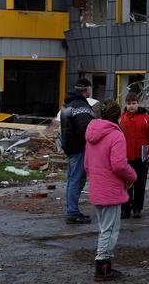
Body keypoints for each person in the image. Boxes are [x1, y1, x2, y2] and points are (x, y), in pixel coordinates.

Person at [84, 100, 137, 281]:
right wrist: (132, 177)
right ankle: (103, 267)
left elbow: (87, 165)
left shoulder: (91, 134)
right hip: (112, 189)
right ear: (118, 116)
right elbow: (119, 165)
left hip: (97, 187)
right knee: (110, 230)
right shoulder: (116, 135)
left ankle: (104, 265)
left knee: (103, 228)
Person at [60, 78, 97, 224]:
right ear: (86, 89)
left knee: (72, 179)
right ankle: (73, 212)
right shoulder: (81, 106)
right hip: (79, 148)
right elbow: (86, 129)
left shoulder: (68, 104)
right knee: (77, 179)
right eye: (90, 88)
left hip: (70, 147)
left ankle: (72, 209)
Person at [119, 93, 149, 219]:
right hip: (126, 157)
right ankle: (125, 209)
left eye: (134, 103)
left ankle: (137, 209)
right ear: (126, 104)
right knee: (126, 185)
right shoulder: (121, 118)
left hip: (142, 157)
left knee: (140, 184)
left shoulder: (146, 118)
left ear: (138, 103)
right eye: (129, 103)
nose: (131, 106)